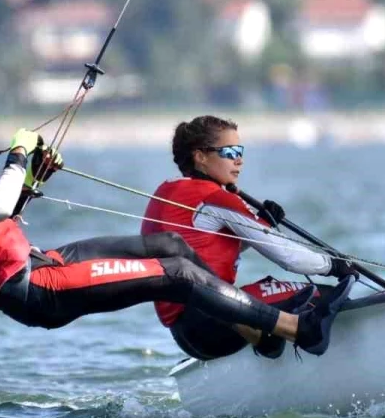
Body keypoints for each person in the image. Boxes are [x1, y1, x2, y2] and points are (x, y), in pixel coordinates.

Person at [0, 111, 351, 356]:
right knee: (176, 273)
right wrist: (19, 155)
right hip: (32, 290)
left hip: (38, 259)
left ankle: (244, 326)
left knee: (169, 247)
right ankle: (297, 329)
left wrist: (34, 177)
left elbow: (2, 215)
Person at [142, 115, 357, 361]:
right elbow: (287, 257)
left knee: (291, 297)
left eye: (240, 150)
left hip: (186, 333)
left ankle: (268, 342)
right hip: (215, 319)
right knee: (326, 295)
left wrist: (263, 221)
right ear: (200, 156)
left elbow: (210, 247)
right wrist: (334, 265)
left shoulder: (166, 191)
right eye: (230, 152)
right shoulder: (214, 197)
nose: (240, 160)